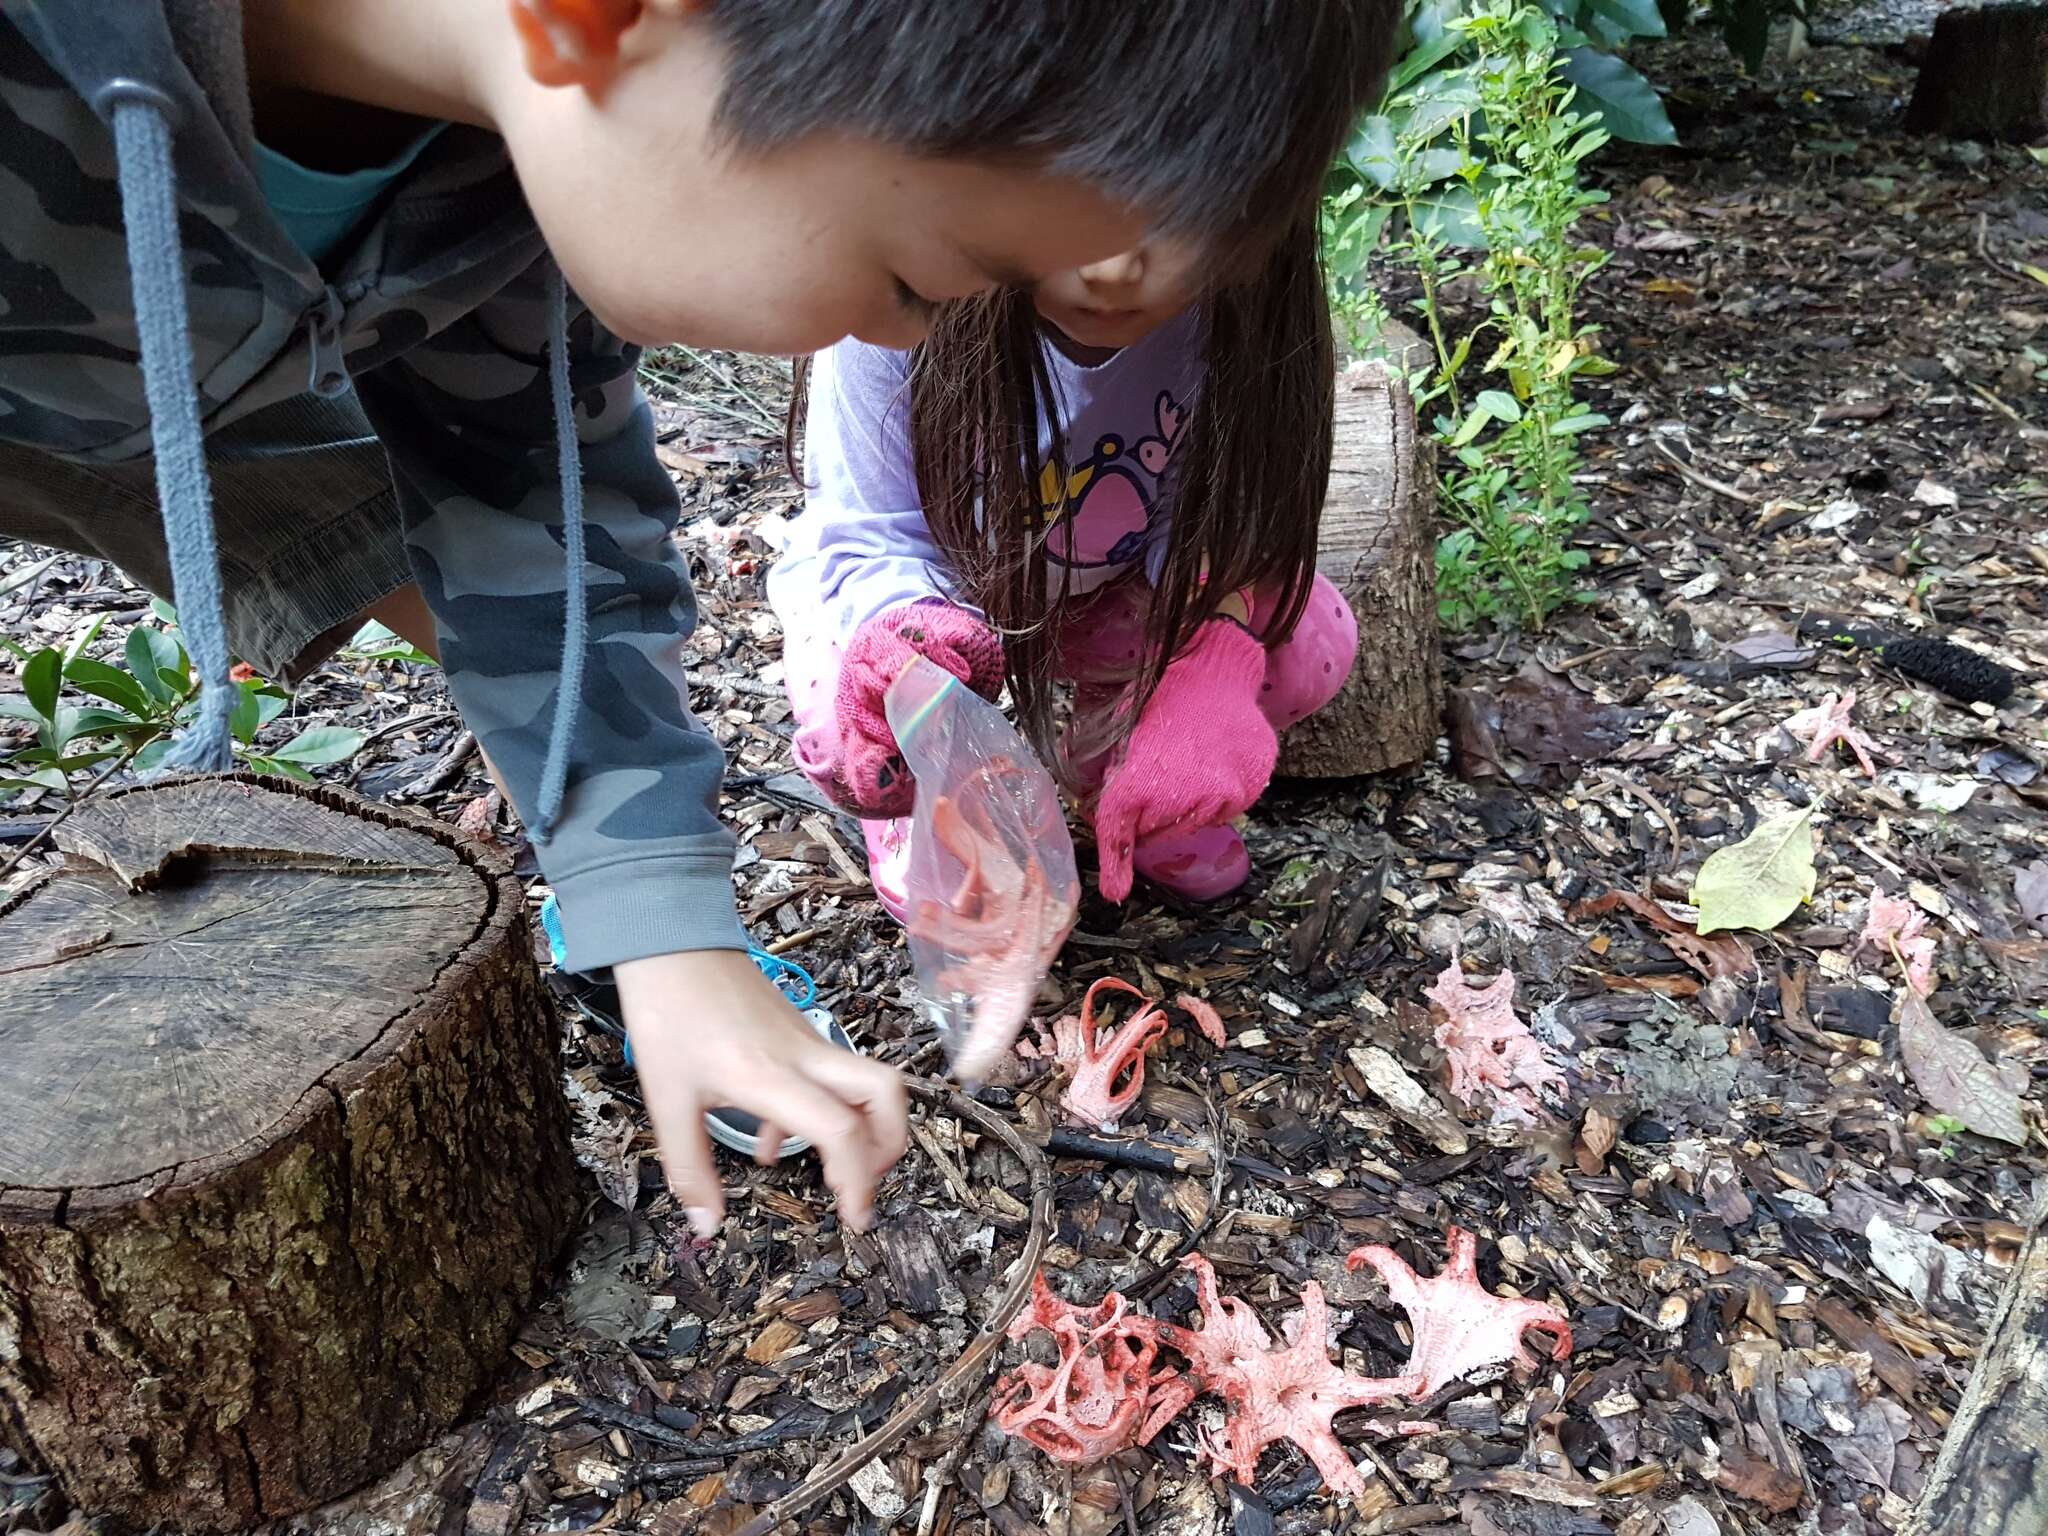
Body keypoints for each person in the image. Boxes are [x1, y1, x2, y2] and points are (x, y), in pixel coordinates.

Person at [0, 0, 1394, 1238]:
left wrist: (662, 925)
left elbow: (538, 518)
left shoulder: (517, 179)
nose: (914, 344)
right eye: (922, 280)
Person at [772, 218, 1362, 914]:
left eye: (1169, 207)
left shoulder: (1224, 311)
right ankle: (924, 803)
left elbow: (1210, 518)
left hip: (1103, 588)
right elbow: (872, 532)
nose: (1113, 268)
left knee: (1307, 642)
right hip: (913, 596)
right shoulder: (895, 301)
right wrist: (906, 674)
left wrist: (1207, 659)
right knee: (852, 719)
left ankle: (1122, 770)